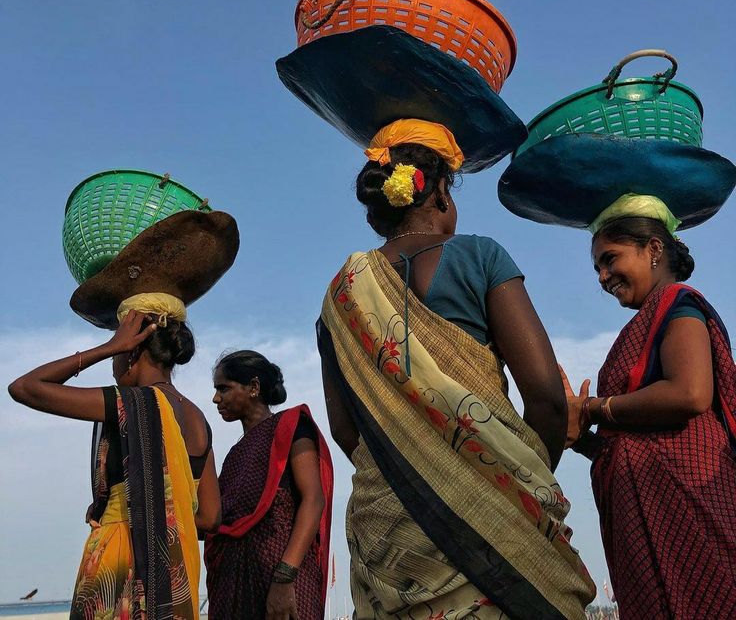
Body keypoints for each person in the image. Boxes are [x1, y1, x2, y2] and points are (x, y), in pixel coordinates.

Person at [317, 119, 595, 619]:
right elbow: (549, 399)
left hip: (388, 531)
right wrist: (511, 482)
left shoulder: (339, 297)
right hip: (494, 535)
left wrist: (410, 465)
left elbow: (344, 430)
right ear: (442, 193)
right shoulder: (482, 256)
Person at [564, 211, 736, 618]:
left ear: (653, 249)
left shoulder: (680, 306)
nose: (603, 277)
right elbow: (637, 441)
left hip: (693, 505)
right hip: (644, 514)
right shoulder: (645, 322)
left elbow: (691, 393)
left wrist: (592, 409)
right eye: (598, 268)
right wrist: (581, 437)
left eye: (610, 259)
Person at [8, 308, 219, 620]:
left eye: (118, 353)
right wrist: (158, 514)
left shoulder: (133, 402)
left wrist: (108, 347)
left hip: (121, 557)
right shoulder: (196, 419)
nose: (112, 366)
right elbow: (210, 517)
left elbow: (24, 387)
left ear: (131, 351)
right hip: (177, 572)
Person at [205, 350, 333, 620]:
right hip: (232, 582)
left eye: (224, 388)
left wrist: (285, 577)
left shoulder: (291, 427)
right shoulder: (234, 455)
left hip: (282, 576)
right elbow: (217, 521)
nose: (216, 398)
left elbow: (314, 499)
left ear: (253, 387)